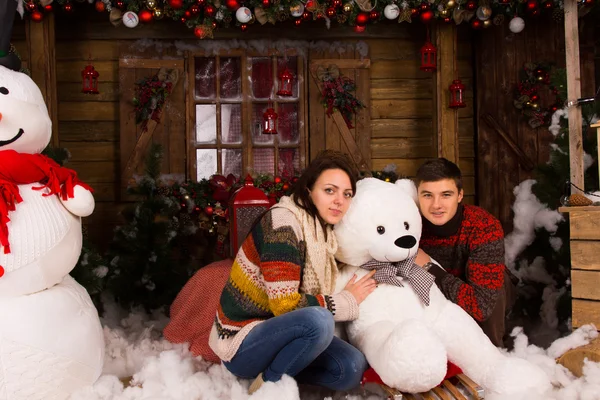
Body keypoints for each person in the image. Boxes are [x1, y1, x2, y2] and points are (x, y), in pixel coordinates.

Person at [209, 150, 377, 395]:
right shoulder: (283, 224)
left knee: (351, 367)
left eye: (347, 194)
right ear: (309, 190)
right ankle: (268, 384)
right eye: (329, 190)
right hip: (243, 342)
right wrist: (344, 302)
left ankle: (283, 368)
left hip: (287, 338)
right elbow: (285, 307)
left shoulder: (323, 233)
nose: (339, 200)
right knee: (319, 321)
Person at [413, 158, 516, 348]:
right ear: (417, 195)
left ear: (460, 195)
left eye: (446, 195)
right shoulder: (410, 224)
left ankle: (492, 354)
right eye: (427, 195)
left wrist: (430, 267)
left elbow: (480, 307)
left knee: (497, 283)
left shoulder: (483, 226)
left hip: (481, 295)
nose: (436, 205)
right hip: (436, 294)